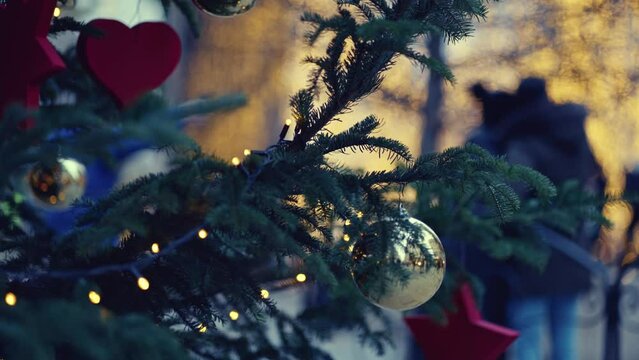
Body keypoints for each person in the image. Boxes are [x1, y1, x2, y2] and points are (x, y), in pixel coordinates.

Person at [469, 78, 603, 360]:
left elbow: (508, 194)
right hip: (572, 248)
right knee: (565, 337)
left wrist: (481, 213)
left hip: (532, 254)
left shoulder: (525, 138)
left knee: (528, 335)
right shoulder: (577, 137)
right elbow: (595, 179)